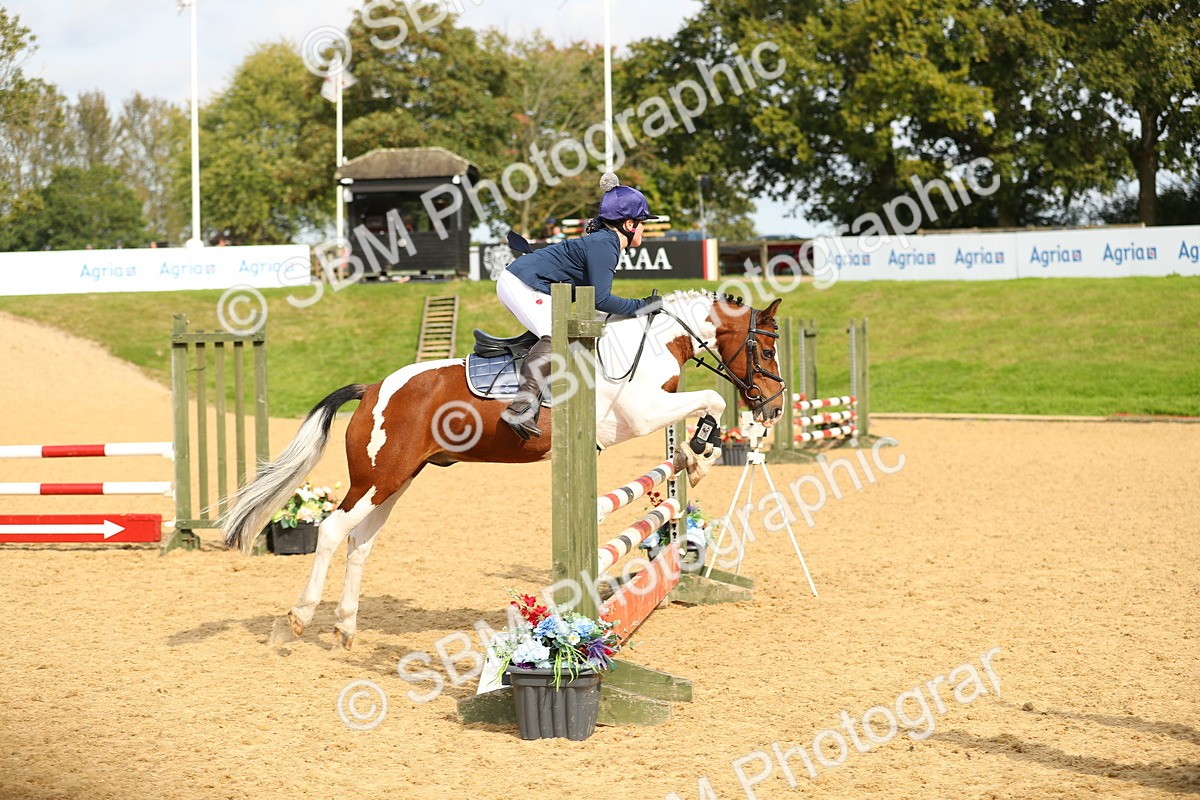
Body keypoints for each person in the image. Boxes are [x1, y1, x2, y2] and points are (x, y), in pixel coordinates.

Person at [495, 172, 662, 440]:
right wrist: (642, 305)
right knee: (557, 335)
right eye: (642, 223)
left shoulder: (606, 243)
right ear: (629, 224)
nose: (644, 228)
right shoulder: (606, 245)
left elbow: (596, 304)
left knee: (563, 335)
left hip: (534, 284)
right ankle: (521, 406)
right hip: (521, 283)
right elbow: (602, 300)